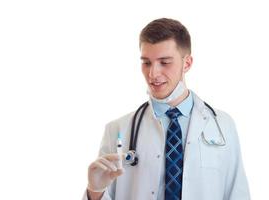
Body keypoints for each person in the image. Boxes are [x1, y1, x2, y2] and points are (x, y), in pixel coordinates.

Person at [82, 18, 250, 200]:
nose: (152, 73)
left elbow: (237, 194)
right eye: (146, 62)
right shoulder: (117, 130)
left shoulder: (222, 126)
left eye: (164, 62)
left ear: (187, 63)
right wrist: (95, 191)